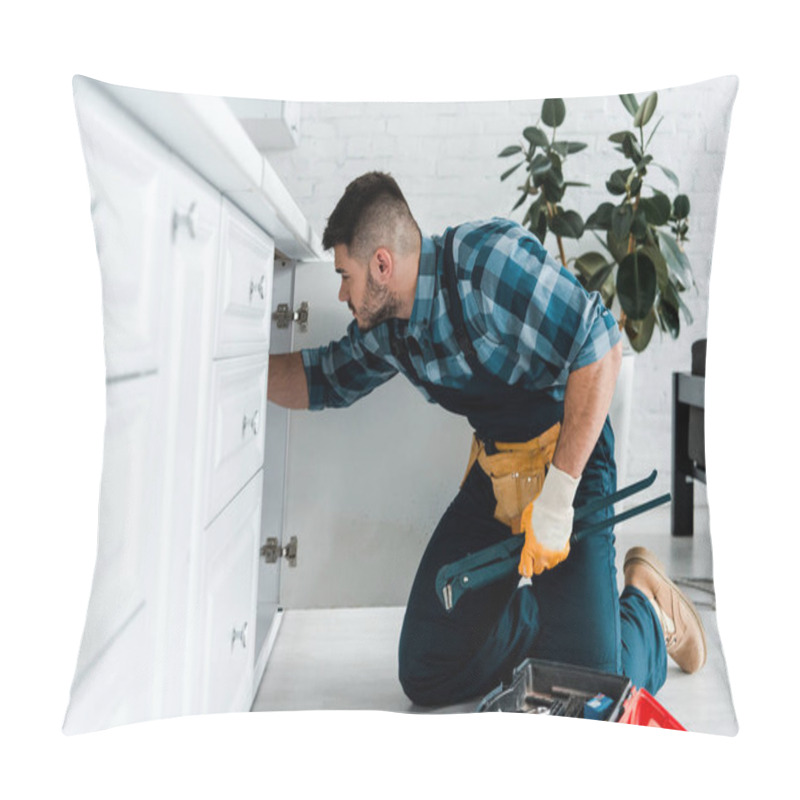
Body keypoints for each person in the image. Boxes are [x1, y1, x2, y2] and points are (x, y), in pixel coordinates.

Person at [267, 170, 707, 708]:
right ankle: (559, 625)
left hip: (569, 469)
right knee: (428, 671)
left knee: (591, 700)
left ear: (382, 264)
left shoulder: (487, 265)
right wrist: (228, 365)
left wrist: (560, 496)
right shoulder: (388, 328)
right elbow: (325, 378)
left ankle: (646, 608)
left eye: (346, 275)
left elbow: (600, 347)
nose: (342, 293)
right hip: (498, 479)